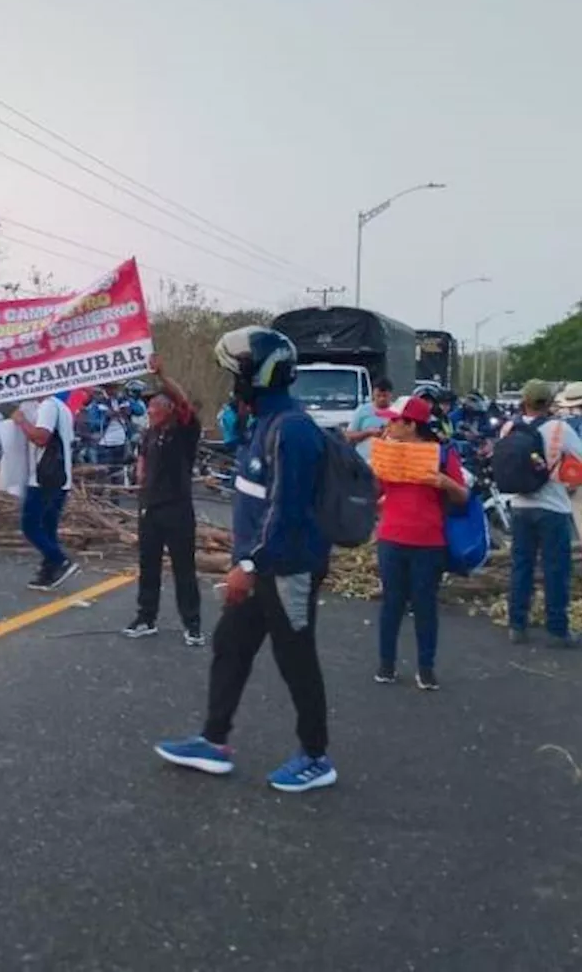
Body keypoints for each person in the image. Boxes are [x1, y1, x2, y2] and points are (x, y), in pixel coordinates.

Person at [157, 327, 337, 794]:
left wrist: (249, 566)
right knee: (230, 646)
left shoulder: (292, 430)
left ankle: (316, 757)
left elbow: (287, 511)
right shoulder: (263, 422)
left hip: (286, 568)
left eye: (236, 374)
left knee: (297, 659)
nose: (231, 382)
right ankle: (213, 741)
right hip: (261, 565)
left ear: (258, 377)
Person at [374, 396, 468, 689]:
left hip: (428, 542)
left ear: (411, 425)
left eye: (393, 420)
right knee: (391, 604)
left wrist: (446, 483)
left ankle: (426, 668)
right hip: (391, 538)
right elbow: (375, 491)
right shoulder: (386, 454)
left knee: (425, 607)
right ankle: (386, 665)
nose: (388, 425)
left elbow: (463, 496)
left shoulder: (441, 454)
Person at [124, 357, 203, 644]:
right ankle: (146, 617)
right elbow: (143, 459)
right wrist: (141, 478)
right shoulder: (149, 433)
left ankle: (192, 623)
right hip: (150, 509)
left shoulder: (184, 431)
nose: (150, 409)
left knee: (184, 568)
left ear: (168, 410)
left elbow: (184, 402)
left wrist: (162, 375)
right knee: (148, 565)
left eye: (155, 405)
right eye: (149, 405)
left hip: (178, 509)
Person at [501, 380, 583, 648]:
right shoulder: (561, 429)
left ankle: (516, 625)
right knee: (555, 569)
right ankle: (557, 629)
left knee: (521, 566)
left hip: (520, 506)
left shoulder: (509, 428)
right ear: (549, 403)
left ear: (524, 401)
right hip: (553, 508)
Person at [13, 394, 80, 591]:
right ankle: (49, 572)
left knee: (30, 525)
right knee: (48, 528)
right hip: (59, 478)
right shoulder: (61, 407)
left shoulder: (48, 406)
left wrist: (22, 422)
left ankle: (60, 560)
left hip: (45, 479)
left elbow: (41, 438)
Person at [345, 377, 393, 460]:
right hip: (364, 459)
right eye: (378, 396)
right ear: (373, 394)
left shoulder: (397, 411)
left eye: (385, 396)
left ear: (390, 394)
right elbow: (349, 435)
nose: (381, 399)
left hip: (388, 460)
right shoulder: (363, 410)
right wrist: (368, 432)